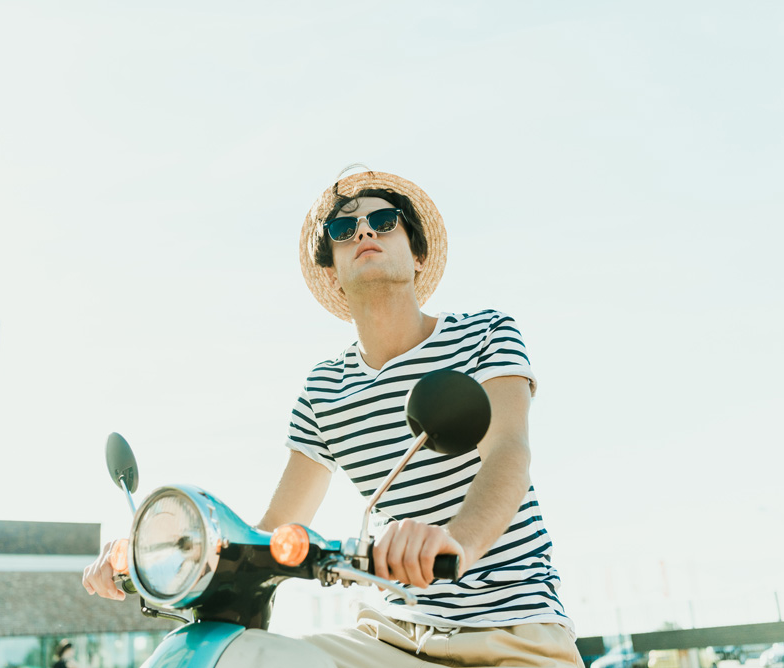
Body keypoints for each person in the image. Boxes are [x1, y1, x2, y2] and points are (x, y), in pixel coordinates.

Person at [84, 169, 583, 668]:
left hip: (513, 634)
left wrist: (457, 541)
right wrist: (159, 552)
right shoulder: (325, 388)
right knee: (222, 654)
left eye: (385, 221)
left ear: (418, 254)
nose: (365, 231)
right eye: (344, 229)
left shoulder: (485, 333)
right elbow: (274, 530)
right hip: (389, 640)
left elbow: (509, 451)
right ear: (332, 273)